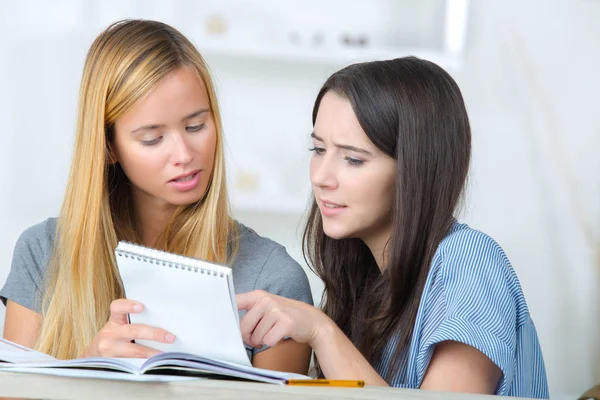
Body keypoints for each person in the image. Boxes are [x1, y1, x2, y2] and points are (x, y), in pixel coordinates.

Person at [0, 19, 312, 374]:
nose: (183, 154)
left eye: (196, 126)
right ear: (108, 147)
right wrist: (86, 371)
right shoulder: (43, 253)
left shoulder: (270, 279)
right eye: (152, 138)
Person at [236, 57, 549, 397]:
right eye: (319, 149)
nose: (320, 177)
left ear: (415, 168)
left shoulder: (468, 260)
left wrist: (322, 332)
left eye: (353, 159)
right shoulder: (365, 279)